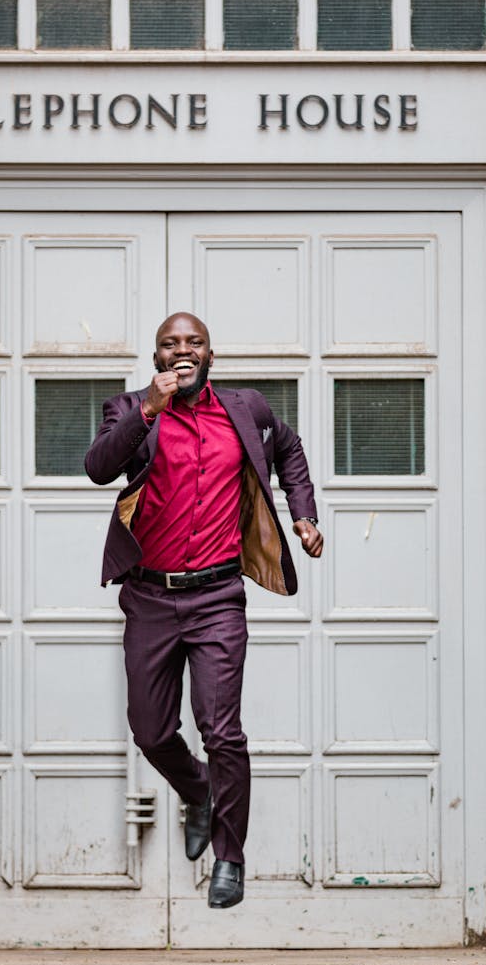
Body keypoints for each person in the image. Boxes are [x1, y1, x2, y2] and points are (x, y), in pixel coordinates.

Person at [85, 312, 323, 910]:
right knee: (150, 730)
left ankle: (230, 857)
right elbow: (98, 468)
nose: (182, 351)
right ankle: (197, 793)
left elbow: (289, 449)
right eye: (170, 344)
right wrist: (148, 410)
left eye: (193, 343)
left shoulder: (245, 408)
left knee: (222, 731)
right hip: (149, 596)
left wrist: (304, 511)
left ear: (210, 356)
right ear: (157, 358)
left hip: (218, 596)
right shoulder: (128, 409)